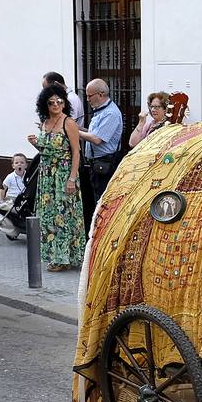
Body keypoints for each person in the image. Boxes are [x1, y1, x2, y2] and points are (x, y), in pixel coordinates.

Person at [34, 84, 85, 271]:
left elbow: (76, 152)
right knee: (49, 216)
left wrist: (72, 179)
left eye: (59, 101)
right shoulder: (45, 122)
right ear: (45, 105)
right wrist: (35, 144)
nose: (56, 105)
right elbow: (46, 150)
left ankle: (65, 257)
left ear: (64, 103)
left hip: (63, 174)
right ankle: (54, 255)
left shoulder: (68, 122)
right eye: (51, 102)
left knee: (64, 215)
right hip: (46, 176)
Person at [77, 78, 123, 231]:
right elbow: (92, 134)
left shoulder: (111, 113)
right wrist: (76, 128)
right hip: (95, 164)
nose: (88, 99)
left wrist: (74, 132)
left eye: (90, 96)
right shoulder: (101, 111)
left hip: (105, 164)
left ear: (101, 94)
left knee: (102, 202)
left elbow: (97, 139)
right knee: (93, 202)